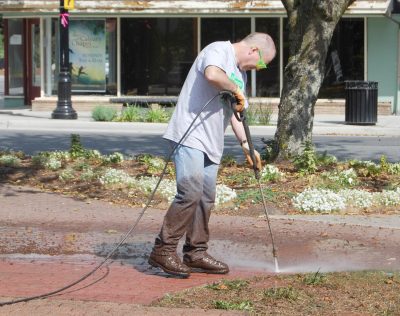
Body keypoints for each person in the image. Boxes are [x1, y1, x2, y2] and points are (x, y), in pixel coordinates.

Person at [148, 32, 276, 278]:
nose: (260, 69)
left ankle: (195, 253)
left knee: (206, 199)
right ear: (254, 51)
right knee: (190, 191)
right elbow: (213, 75)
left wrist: (246, 145)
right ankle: (162, 250)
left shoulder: (241, 75)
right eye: (262, 64)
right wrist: (235, 88)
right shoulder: (219, 50)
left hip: (211, 142)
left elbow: (236, 112)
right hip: (189, 134)